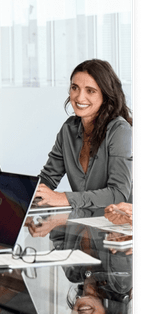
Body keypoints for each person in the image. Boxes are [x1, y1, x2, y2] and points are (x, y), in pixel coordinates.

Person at [36, 59, 133, 209]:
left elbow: (118, 193)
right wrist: (18, 192)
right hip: (84, 220)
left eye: (90, 91)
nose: (79, 97)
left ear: (105, 95)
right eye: (75, 88)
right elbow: (48, 178)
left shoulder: (119, 130)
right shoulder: (69, 129)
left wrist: (64, 198)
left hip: (118, 225)